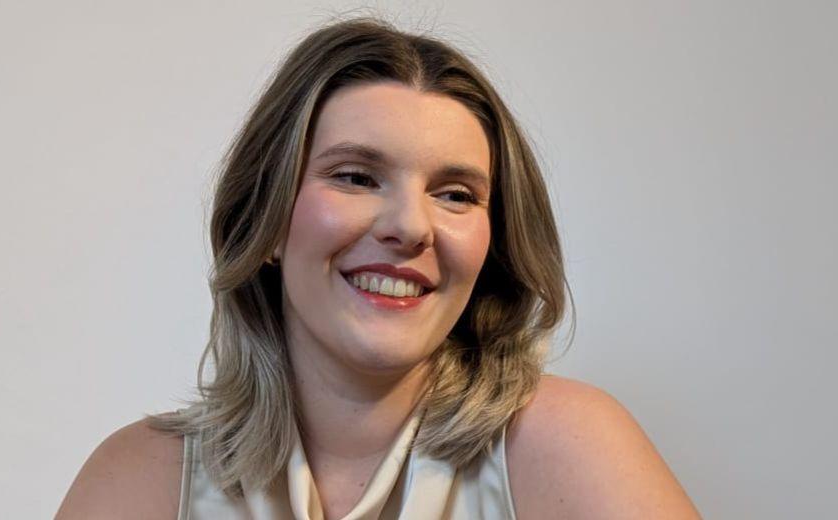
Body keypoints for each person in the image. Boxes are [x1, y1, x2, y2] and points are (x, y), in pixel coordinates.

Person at [55, 16, 700, 520]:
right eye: (357, 177)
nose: (411, 226)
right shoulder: (141, 478)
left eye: (455, 194)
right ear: (269, 221)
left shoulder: (569, 446)